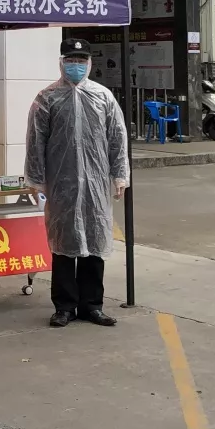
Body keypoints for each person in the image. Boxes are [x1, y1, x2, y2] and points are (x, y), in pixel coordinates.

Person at [25, 37, 129, 328]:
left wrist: (120, 175)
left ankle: (92, 305)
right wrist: (36, 179)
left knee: (94, 242)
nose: (76, 66)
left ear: (90, 63)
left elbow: (117, 138)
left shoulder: (103, 97)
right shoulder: (47, 98)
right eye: (70, 60)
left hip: (96, 183)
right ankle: (64, 306)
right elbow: (36, 141)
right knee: (63, 244)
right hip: (62, 182)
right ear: (61, 62)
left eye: (81, 61)